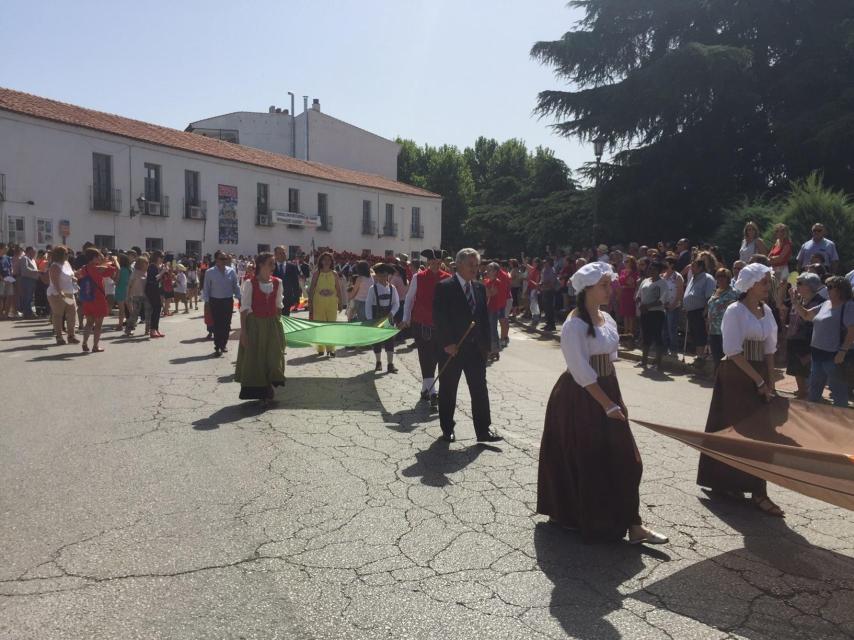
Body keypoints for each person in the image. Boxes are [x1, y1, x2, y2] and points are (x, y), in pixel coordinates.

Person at [537, 262, 668, 545]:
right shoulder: (574, 325)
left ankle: (633, 524)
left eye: (610, 284)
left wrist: (615, 398)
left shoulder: (606, 319)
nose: (611, 290)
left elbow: (609, 362)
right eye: (605, 286)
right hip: (581, 396)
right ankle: (595, 519)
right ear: (587, 289)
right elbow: (582, 373)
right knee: (588, 459)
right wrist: (607, 404)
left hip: (606, 389)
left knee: (627, 460)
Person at [696, 263, 784, 517]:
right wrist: (757, 381)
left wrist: (771, 383)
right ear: (750, 284)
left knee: (761, 432)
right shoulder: (735, 311)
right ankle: (741, 487)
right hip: (737, 373)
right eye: (764, 282)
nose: (768, 286)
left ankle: (756, 489)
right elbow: (732, 351)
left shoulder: (766, 310)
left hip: (757, 372)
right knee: (735, 428)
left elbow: (769, 351)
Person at [432, 248, 502, 444]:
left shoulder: (479, 288)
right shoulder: (444, 287)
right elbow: (439, 318)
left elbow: (483, 319)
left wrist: (487, 346)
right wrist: (447, 344)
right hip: (452, 350)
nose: (475, 268)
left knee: (479, 390)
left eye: (477, 265)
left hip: (475, 350)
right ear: (459, 264)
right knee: (448, 389)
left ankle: (483, 430)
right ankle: (447, 428)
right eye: (471, 265)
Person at [792, 276, 854, 407]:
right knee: (814, 389)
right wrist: (796, 303)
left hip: (834, 356)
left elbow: (851, 331)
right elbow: (807, 315)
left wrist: (842, 352)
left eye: (830, 287)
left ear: (840, 290)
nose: (827, 289)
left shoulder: (848, 306)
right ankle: (815, 418)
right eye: (827, 286)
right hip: (817, 353)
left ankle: (842, 421)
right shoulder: (826, 304)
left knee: (838, 391)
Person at [401, 249, 451, 408]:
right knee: (426, 357)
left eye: (438, 263)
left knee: (436, 358)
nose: (436, 265)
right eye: (433, 262)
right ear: (428, 262)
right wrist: (406, 318)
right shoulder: (418, 277)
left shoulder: (448, 278)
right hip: (421, 324)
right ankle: (433, 393)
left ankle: (425, 389)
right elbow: (409, 299)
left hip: (440, 326)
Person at [235, 252, 286, 404]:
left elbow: (278, 307)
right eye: (270, 263)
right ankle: (264, 391)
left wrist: (279, 328)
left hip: (272, 324)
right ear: (261, 265)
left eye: (274, 263)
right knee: (257, 358)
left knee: (273, 356)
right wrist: (243, 332)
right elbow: (244, 309)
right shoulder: (250, 284)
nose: (273, 267)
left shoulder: (278, 283)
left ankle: (270, 385)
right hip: (255, 325)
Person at [784, 273, 825, 398]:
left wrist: (795, 302)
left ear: (810, 286)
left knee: (808, 372)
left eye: (800, 283)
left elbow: (807, 317)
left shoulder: (820, 302)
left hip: (809, 342)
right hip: (795, 340)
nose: (797, 286)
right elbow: (779, 304)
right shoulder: (798, 299)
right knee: (797, 371)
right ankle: (802, 391)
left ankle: (808, 396)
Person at [77, 248, 118, 353]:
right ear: (94, 258)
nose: (101, 257)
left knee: (89, 323)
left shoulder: (84, 268)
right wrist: (115, 260)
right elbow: (116, 269)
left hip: (87, 297)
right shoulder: (99, 268)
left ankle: (84, 343)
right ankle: (95, 346)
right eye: (99, 256)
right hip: (98, 298)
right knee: (98, 324)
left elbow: (77, 275)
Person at [203, 250, 242, 357]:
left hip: (228, 301)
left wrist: (239, 297)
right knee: (217, 325)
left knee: (226, 324)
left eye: (226, 259)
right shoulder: (210, 272)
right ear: (216, 260)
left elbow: (236, 285)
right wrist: (206, 302)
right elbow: (206, 288)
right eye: (222, 259)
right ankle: (217, 346)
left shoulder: (231, 271)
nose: (224, 261)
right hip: (215, 301)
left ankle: (223, 344)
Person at [364, 263, 400, 373]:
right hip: (376, 317)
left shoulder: (392, 288)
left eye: (384, 275)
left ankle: (390, 364)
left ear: (388, 276)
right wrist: (370, 320)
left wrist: (392, 313)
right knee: (377, 341)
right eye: (380, 275)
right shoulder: (372, 289)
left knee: (390, 341)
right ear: (377, 276)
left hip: (388, 318)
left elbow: (396, 303)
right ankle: (378, 362)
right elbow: (368, 305)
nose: (382, 278)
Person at [307, 252, 343, 357]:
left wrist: (341, 302)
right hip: (318, 303)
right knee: (320, 325)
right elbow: (312, 288)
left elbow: (338, 289)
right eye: (324, 259)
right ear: (321, 261)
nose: (327, 261)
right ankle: (320, 348)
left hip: (332, 303)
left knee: (331, 326)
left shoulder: (334, 274)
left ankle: (331, 349)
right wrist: (310, 303)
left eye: (329, 260)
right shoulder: (316, 274)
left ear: (331, 261)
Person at [683, 258, 717, 367]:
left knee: (700, 334)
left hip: (701, 311)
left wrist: (706, 310)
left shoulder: (708, 278)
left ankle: (701, 357)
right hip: (691, 311)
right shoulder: (693, 278)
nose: (691, 268)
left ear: (700, 267)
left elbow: (710, 296)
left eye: (693, 266)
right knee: (694, 334)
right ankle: (698, 356)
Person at [636, 261, 668, 370]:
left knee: (657, 336)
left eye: (654, 269)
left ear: (659, 271)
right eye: (650, 269)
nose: (651, 271)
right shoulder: (645, 281)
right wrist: (640, 304)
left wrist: (648, 306)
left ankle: (658, 363)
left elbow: (662, 300)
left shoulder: (663, 283)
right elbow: (639, 295)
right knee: (646, 336)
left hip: (657, 313)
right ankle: (644, 361)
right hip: (645, 313)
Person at [706, 268, 739, 371]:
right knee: (716, 357)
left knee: (725, 357)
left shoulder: (734, 293)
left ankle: (724, 378)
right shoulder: (715, 291)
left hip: (725, 330)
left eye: (723, 276)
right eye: (718, 276)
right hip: (713, 330)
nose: (720, 279)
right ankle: (717, 378)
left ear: (728, 278)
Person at [46, 245, 78, 345]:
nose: (68, 255)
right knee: (58, 315)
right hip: (57, 293)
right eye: (66, 253)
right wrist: (60, 293)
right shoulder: (55, 266)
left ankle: (71, 336)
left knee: (72, 313)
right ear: (60, 254)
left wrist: (74, 278)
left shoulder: (66, 263)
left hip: (69, 292)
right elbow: (55, 282)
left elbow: (71, 274)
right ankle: (59, 337)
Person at [661, 256, 684, 356]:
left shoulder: (677, 277)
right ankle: (664, 349)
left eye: (666, 263)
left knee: (672, 329)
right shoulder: (662, 276)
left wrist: (673, 305)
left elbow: (680, 293)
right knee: (663, 330)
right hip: (662, 307)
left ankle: (674, 350)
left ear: (672, 265)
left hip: (673, 307)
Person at [272, 246, 302, 316]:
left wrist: (296, 298)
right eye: (280, 253)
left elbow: (295, 283)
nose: (283, 255)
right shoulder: (272, 267)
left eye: (284, 253)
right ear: (275, 255)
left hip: (287, 298)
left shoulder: (292, 267)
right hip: (274, 299)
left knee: (285, 319)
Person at [126, 255, 148, 337]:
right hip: (136, 295)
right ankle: (128, 329)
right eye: (145, 263)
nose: (147, 264)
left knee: (147, 313)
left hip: (145, 295)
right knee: (135, 314)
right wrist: (128, 296)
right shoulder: (134, 273)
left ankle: (147, 329)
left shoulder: (146, 272)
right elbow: (129, 285)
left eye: (147, 262)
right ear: (140, 264)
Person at [618, 256, 639, 341]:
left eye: (627, 261)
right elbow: (620, 282)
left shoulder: (635, 272)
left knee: (631, 315)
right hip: (623, 295)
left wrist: (624, 286)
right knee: (625, 316)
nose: (625, 263)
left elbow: (634, 285)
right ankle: (625, 334)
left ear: (632, 263)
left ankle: (630, 336)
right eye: (625, 261)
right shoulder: (622, 271)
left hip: (631, 294)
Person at [18, 246, 40, 318]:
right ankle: (27, 313)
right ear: (28, 251)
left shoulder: (32, 260)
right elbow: (25, 270)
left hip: (33, 280)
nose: (34, 253)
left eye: (35, 252)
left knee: (30, 297)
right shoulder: (24, 258)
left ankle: (29, 312)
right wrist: (37, 271)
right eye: (33, 251)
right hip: (27, 280)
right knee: (27, 297)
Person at [113, 253, 132, 331]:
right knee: (130, 308)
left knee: (122, 309)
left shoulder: (120, 270)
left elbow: (117, 281)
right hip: (128, 289)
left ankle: (120, 325)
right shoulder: (129, 269)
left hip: (120, 289)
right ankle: (132, 323)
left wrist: (113, 278)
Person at [540, 258, 558, 331]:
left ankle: (552, 325)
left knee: (550, 308)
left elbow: (552, 282)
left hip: (549, 291)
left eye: (545, 262)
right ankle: (548, 324)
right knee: (546, 308)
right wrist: (541, 284)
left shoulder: (551, 270)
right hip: (544, 290)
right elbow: (543, 279)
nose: (544, 264)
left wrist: (544, 284)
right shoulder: (544, 270)